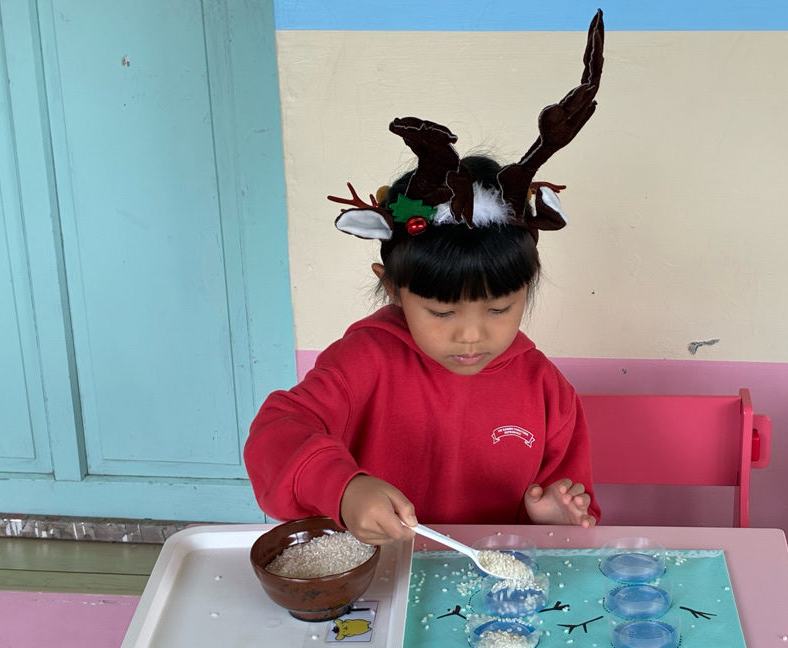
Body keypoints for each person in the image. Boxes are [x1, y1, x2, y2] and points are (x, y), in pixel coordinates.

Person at [244, 10, 605, 545]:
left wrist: (550, 519)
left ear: (525, 290)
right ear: (393, 288)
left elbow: (577, 516)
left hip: (493, 587)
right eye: (441, 311)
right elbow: (274, 435)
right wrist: (343, 488)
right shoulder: (364, 362)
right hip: (376, 580)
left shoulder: (546, 391)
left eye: (499, 308)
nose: (471, 334)